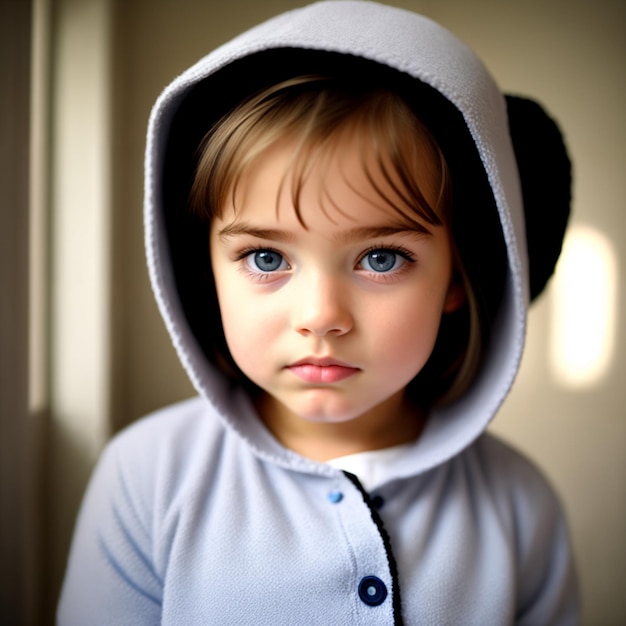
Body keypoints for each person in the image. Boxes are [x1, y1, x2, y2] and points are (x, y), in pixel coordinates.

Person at [58, 1, 579, 624]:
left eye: (381, 259)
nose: (321, 316)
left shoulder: (520, 504)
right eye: (266, 258)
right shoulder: (145, 476)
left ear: (458, 277)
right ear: (207, 271)